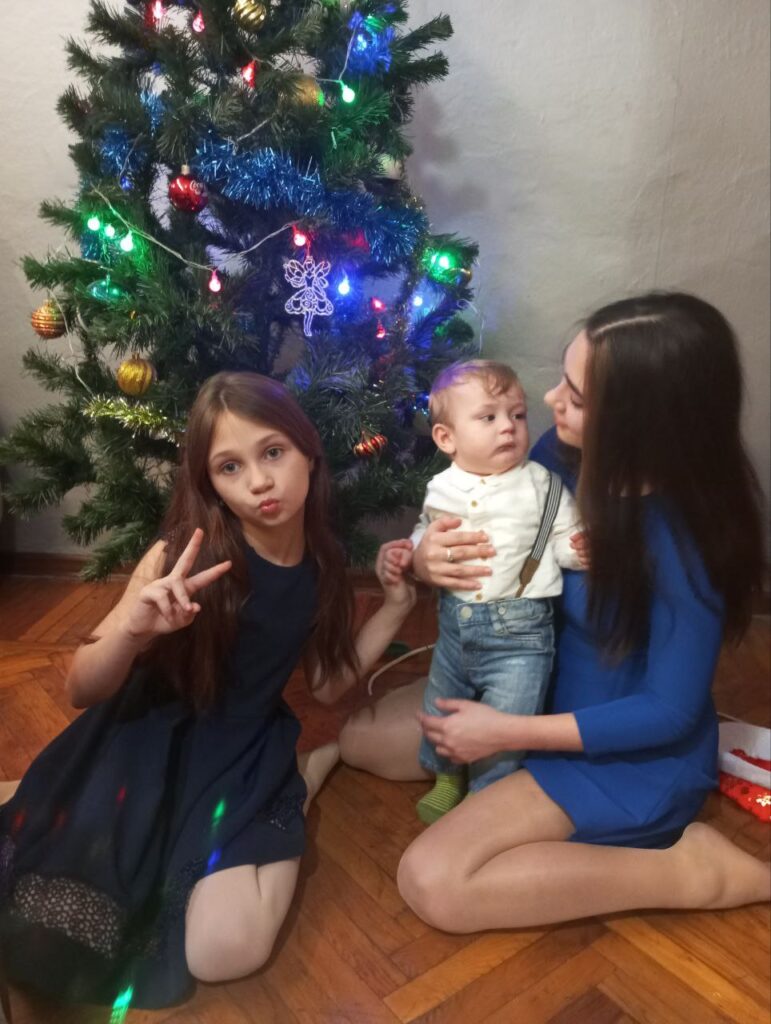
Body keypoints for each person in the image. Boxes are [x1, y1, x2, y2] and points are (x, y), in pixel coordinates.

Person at [340, 292, 770, 929]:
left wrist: (506, 733)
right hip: (530, 685)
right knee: (358, 740)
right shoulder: (555, 457)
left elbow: (669, 712)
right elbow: (492, 546)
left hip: (620, 753)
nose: (549, 400)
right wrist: (426, 561)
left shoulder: (688, 545)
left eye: (576, 395)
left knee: (433, 881)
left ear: (642, 424)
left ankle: (692, 872)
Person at [0, 371, 415, 1008]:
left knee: (225, 950)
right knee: (49, 924)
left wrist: (395, 606)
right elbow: (81, 687)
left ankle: (299, 784)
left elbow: (328, 687)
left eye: (273, 452)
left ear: (309, 451)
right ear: (209, 482)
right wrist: (132, 631)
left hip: (240, 756)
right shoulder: (177, 557)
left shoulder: (324, 563)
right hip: (140, 748)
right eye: (230, 467)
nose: (259, 482)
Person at [384, 359, 583, 823]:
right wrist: (415, 552)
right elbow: (426, 529)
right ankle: (447, 776)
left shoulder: (542, 484)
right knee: (440, 705)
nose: (508, 427)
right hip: (455, 629)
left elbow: (563, 535)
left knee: (507, 719)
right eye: (488, 417)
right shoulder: (441, 487)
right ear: (446, 438)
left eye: (517, 415)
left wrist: (579, 550)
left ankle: (485, 794)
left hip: (522, 637)